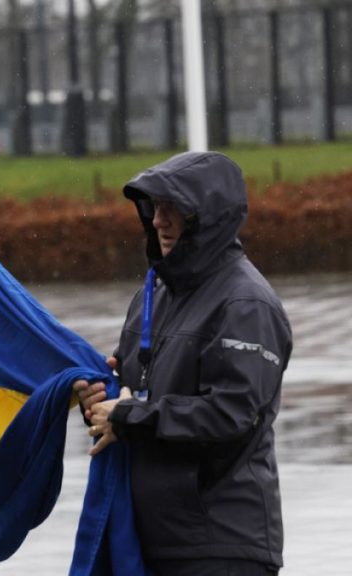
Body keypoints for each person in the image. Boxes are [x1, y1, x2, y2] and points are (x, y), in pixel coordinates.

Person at [73, 152, 292, 575]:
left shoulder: (246, 303)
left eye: (173, 207)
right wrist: (101, 397)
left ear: (209, 216)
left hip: (221, 545)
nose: (158, 220)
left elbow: (231, 416)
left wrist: (132, 416)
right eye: (154, 207)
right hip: (147, 540)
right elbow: (134, 395)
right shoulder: (152, 294)